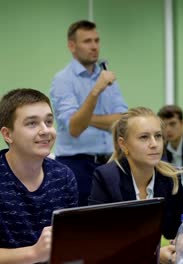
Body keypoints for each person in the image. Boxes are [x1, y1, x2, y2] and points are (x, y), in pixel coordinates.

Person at [0, 88, 79, 264]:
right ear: (7, 134)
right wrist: (34, 253)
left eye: (49, 122)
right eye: (32, 124)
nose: (45, 130)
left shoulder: (64, 177)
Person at [89, 107, 183, 264]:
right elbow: (98, 242)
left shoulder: (169, 178)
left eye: (158, 136)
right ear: (123, 145)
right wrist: (154, 256)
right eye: (144, 137)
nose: (154, 144)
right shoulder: (106, 178)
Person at [50, 19, 128, 206]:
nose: (94, 46)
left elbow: (123, 121)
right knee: (81, 226)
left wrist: (85, 118)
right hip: (76, 164)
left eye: (96, 40)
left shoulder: (107, 76)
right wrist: (96, 90)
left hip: (110, 161)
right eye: (87, 41)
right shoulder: (63, 80)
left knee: (111, 222)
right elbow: (76, 128)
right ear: (72, 46)